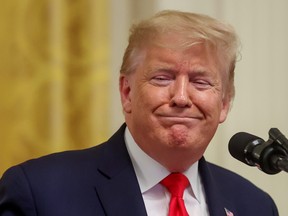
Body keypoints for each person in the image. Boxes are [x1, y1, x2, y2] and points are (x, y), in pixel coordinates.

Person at [0, 10, 278, 216]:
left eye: (200, 82)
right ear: (127, 92)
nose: (181, 97)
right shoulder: (39, 192)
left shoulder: (255, 206)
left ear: (225, 103)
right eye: (162, 78)